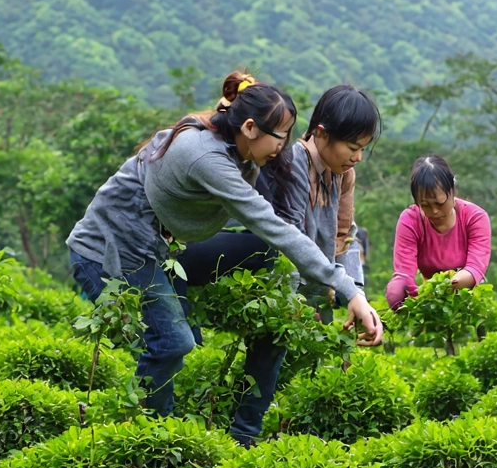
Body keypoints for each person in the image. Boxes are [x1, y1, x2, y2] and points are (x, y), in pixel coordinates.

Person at [66, 71, 383, 446]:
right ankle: (147, 441)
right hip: (106, 252)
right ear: (249, 128)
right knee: (173, 344)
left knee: (176, 347)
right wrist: (349, 291)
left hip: (149, 249)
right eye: (280, 137)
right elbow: (274, 227)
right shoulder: (207, 158)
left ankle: (157, 437)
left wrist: (345, 288)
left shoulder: (242, 154)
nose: (284, 147)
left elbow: (334, 232)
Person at [278, 84, 380, 322]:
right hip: (285, 295)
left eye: (362, 149)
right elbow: (290, 244)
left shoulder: (342, 173)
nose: (358, 157)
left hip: (320, 292)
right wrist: (292, 308)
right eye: (353, 148)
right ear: (322, 133)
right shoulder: (294, 165)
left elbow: (345, 236)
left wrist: (356, 294)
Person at [385, 155, 492, 310]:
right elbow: (404, 271)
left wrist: (449, 284)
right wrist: (398, 288)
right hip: (429, 299)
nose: (434, 211)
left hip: (469, 297)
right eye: (425, 205)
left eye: (440, 203)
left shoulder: (475, 217)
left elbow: (475, 268)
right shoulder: (410, 220)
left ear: (452, 192)